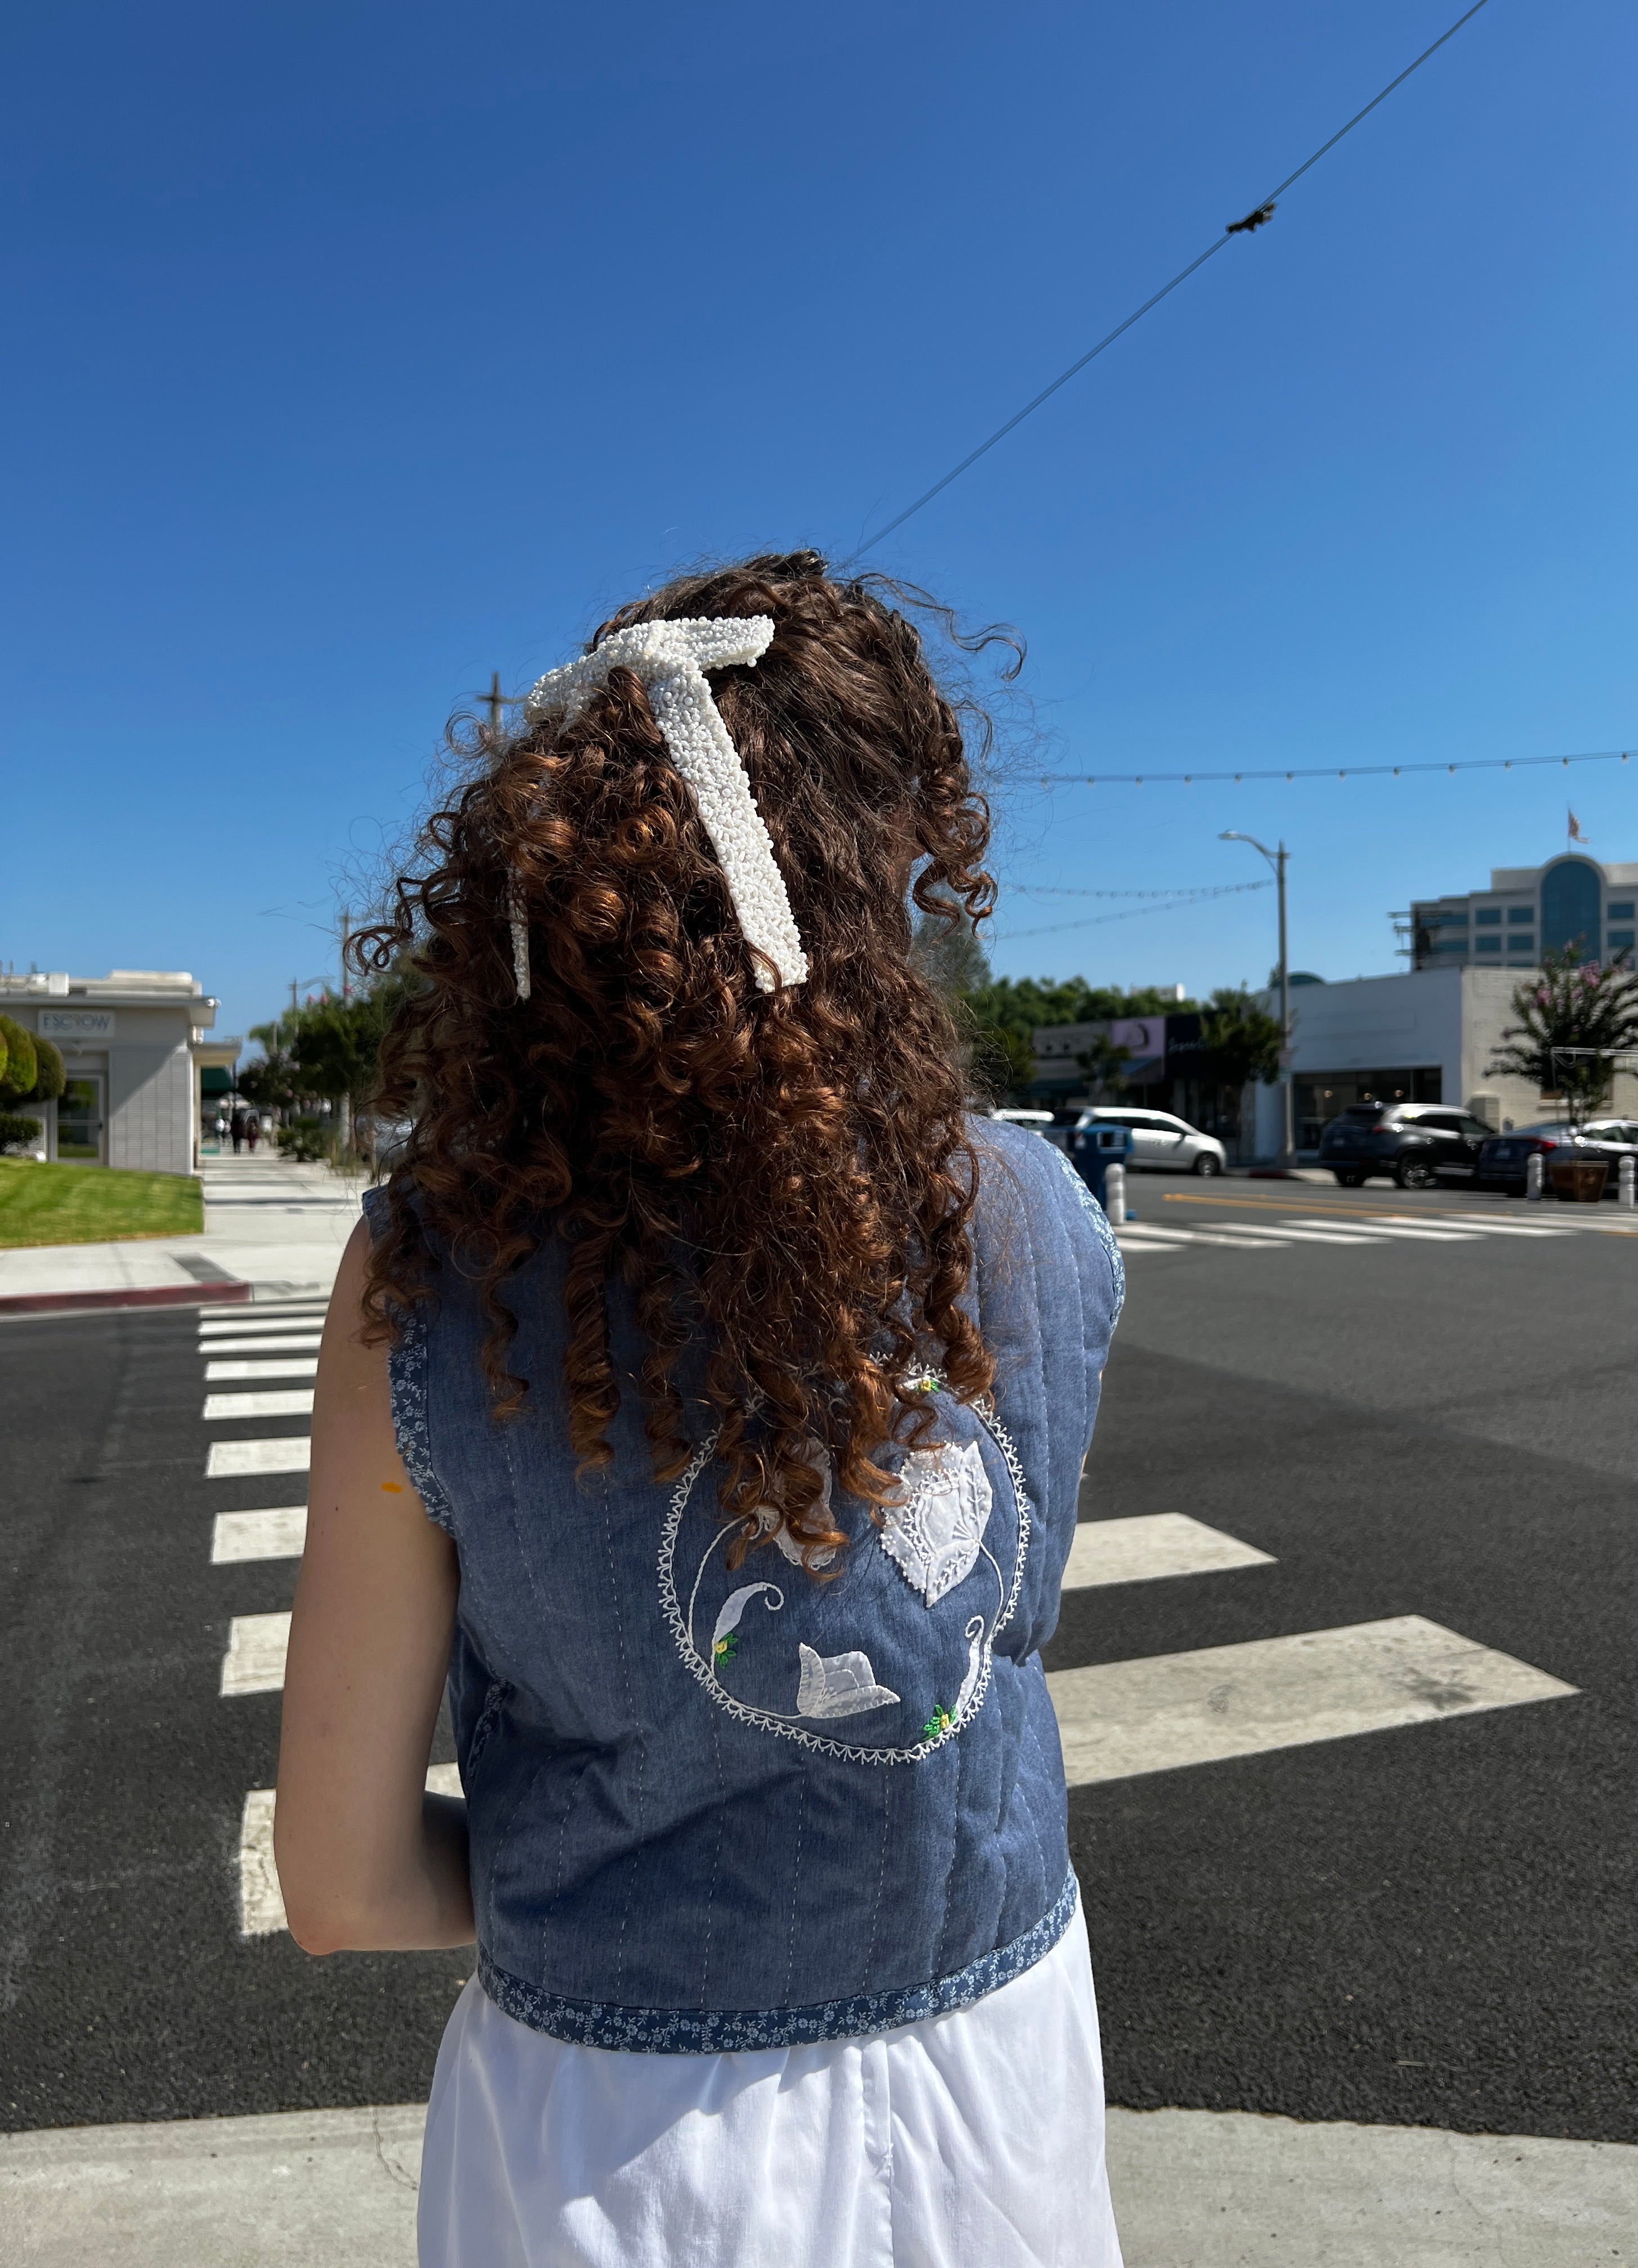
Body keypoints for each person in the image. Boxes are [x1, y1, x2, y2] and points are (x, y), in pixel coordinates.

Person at [274, 552, 1124, 2268]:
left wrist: (610, 1870)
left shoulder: (429, 1279)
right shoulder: (1038, 1215)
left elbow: (343, 1885)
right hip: (1006, 2062)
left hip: (619, 2147)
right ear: (900, 855)